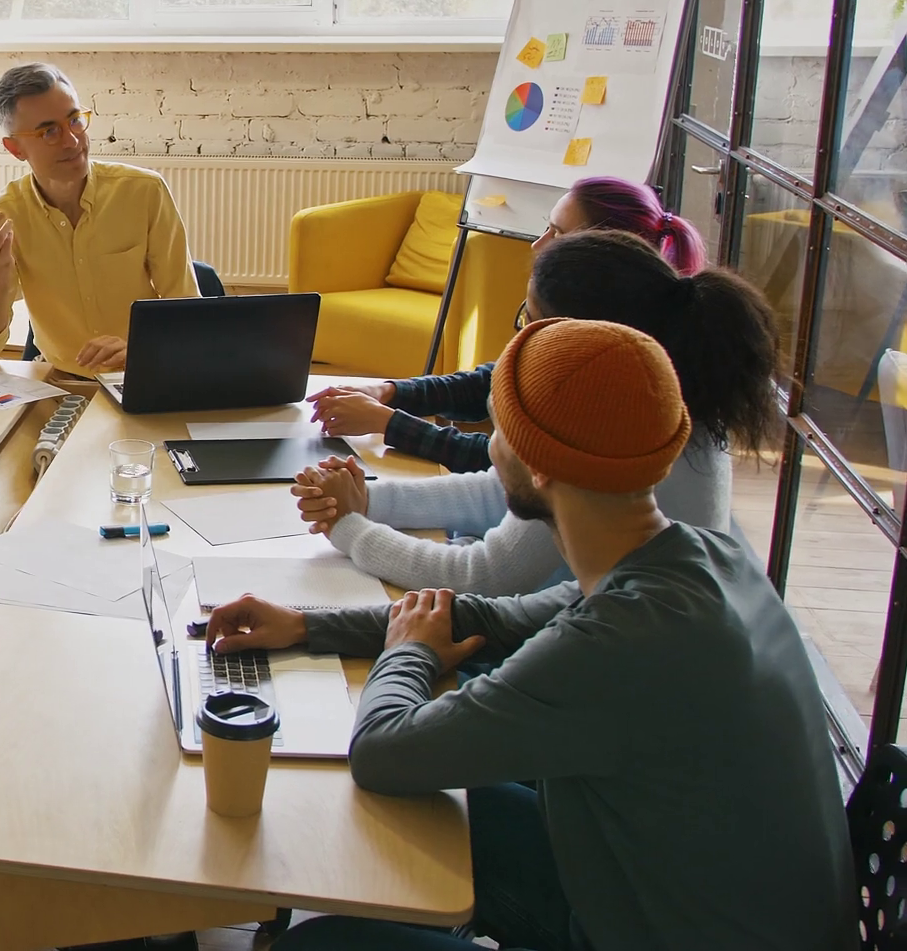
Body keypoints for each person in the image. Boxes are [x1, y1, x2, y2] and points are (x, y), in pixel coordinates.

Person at [211, 318, 854, 951]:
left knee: (321, 946)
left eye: (500, 433)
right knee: (456, 795)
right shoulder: (697, 558)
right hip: (699, 899)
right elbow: (497, 618)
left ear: (541, 468)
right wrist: (306, 625)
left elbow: (381, 751)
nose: (490, 448)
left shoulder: (615, 644)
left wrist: (407, 653)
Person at [297, 230, 779, 599]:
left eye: (528, 318)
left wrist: (350, 526)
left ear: (578, 337)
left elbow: (485, 575)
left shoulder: (606, 429)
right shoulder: (657, 400)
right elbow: (507, 492)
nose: (520, 334)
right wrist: (369, 500)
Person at [308, 176, 708, 472]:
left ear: (603, 255)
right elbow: (497, 380)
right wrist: (389, 392)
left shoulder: (615, 370)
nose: (537, 244)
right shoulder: (610, 322)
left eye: (558, 233)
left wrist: (390, 423)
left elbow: (511, 468)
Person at [0, 63, 199, 378]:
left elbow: (186, 308)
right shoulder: (3, 219)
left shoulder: (144, 192)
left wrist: (143, 349)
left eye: (74, 121)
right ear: (15, 148)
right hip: (61, 384)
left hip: (142, 371)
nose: (72, 141)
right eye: (49, 132)